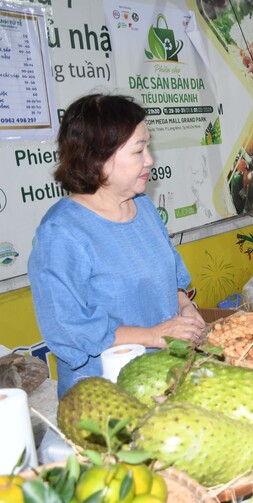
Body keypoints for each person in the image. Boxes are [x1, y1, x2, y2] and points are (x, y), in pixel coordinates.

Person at [28, 94, 206, 398]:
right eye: (138, 150)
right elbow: (68, 327)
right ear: (97, 158)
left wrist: (184, 307)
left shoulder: (143, 208)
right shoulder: (62, 232)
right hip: (105, 394)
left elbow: (169, 278)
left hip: (165, 377)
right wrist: (153, 335)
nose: (149, 160)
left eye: (148, 147)